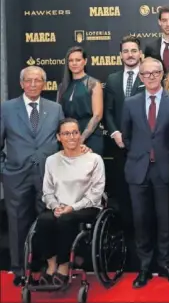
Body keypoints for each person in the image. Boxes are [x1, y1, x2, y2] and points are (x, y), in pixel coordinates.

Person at [0, 66, 65, 286]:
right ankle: (20, 270)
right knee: (17, 223)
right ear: (21, 83)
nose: (34, 84)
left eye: (38, 80)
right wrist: (4, 170)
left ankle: (48, 266)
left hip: (47, 177)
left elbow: (64, 139)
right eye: (29, 80)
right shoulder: (6, 108)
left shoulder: (55, 109)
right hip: (16, 177)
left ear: (45, 84)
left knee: (47, 223)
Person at [121, 57, 169, 288]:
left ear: (162, 74)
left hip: (165, 170)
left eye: (154, 73)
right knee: (141, 221)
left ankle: (166, 264)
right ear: (140, 77)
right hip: (138, 171)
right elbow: (126, 136)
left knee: (166, 220)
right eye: (145, 74)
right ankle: (144, 267)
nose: (150, 77)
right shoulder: (130, 103)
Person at [36, 118, 105, 286]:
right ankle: (51, 265)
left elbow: (96, 194)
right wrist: (55, 206)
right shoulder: (52, 160)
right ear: (59, 137)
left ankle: (64, 266)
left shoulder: (94, 159)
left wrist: (72, 207)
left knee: (66, 220)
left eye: (75, 132)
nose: (72, 137)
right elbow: (47, 192)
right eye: (66, 133)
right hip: (59, 207)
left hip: (86, 206)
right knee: (44, 220)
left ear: (80, 135)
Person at [103, 35, 145, 233]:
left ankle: (143, 231)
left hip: (142, 144)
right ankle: (126, 232)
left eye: (134, 50)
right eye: (126, 51)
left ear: (140, 53)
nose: (130, 55)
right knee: (122, 190)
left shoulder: (148, 76)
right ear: (120, 55)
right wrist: (115, 133)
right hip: (119, 145)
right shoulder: (112, 79)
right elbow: (107, 111)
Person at [57, 46, 104, 155]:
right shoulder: (62, 87)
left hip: (90, 137)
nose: (74, 63)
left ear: (85, 61)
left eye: (78, 60)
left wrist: (80, 139)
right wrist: (68, 138)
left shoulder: (93, 84)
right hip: (68, 137)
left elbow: (97, 116)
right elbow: (58, 114)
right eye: (71, 60)